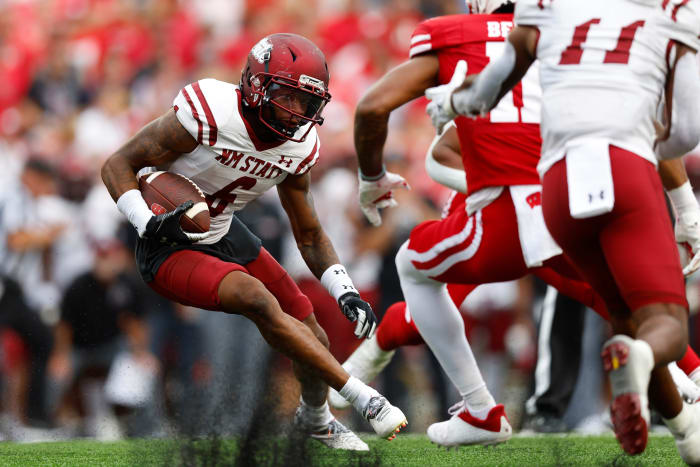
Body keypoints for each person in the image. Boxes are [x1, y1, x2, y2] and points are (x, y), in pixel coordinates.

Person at [350, 1, 700, 449]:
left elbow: (396, 116)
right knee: (635, 306)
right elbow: (677, 131)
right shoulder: (614, 25)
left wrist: (456, 108)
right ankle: (679, 397)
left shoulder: (504, 34)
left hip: (542, 196)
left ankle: (478, 408)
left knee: (416, 271)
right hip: (613, 175)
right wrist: (685, 207)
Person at [101, 33, 407, 451]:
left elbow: (309, 231)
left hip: (224, 229)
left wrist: (344, 289)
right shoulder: (211, 110)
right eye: (289, 96)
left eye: (308, 102)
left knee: (312, 333)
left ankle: (316, 421)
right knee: (256, 296)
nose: (298, 112)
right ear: (257, 84)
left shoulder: (300, 146)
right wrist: (146, 222)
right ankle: (360, 395)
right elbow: (117, 164)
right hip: (167, 243)